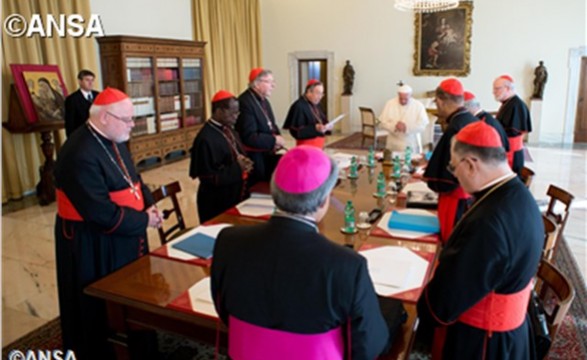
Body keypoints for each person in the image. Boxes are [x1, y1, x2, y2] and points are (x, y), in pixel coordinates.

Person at [211, 146, 391, 359]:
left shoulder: (228, 241)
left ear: (274, 191)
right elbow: (368, 346)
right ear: (324, 200)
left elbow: (224, 310)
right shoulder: (348, 265)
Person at [417, 121, 543, 359]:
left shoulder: (488, 223)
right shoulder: (518, 193)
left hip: (484, 343)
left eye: (454, 168)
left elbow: (441, 306)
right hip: (511, 335)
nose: (455, 175)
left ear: (470, 164)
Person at [54, 87, 163, 359]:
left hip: (124, 231)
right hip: (94, 241)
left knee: (133, 289)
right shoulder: (79, 153)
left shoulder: (113, 138)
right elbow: (101, 214)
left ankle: (137, 332)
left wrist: (148, 203)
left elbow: (134, 179)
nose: (132, 125)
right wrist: (144, 219)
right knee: (103, 305)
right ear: (104, 117)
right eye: (127, 120)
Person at [423, 78, 477, 243]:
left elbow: (445, 178)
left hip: (454, 198)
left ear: (440, 101)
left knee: (449, 241)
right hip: (470, 194)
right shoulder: (470, 119)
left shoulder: (455, 127)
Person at [189, 90, 254, 223]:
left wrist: (245, 162)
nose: (237, 116)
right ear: (219, 111)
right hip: (216, 202)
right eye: (233, 112)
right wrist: (238, 167)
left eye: (238, 112)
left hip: (234, 194)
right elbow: (207, 177)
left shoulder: (229, 129)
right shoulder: (205, 139)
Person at [235, 68, 285, 186]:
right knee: (258, 188)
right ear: (257, 84)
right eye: (269, 82)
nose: (273, 85)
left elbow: (271, 124)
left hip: (266, 153)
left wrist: (277, 138)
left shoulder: (263, 100)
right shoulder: (245, 102)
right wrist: (274, 140)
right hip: (254, 158)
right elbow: (249, 136)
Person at [493, 75, 532, 176]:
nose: (494, 92)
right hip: (507, 149)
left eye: (497, 89)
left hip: (511, 152)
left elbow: (512, 132)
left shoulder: (516, 105)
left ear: (507, 88)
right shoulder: (508, 103)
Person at [378, 83, 429, 153]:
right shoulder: (390, 103)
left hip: (410, 142)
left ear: (410, 96)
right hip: (392, 141)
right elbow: (382, 123)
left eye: (405, 99)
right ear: (398, 95)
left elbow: (423, 125)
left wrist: (406, 128)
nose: (403, 101)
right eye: (401, 98)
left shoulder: (418, 106)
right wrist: (394, 127)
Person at [282, 79, 329, 148]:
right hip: (306, 146)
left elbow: (322, 120)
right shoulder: (299, 106)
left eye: (322, 94)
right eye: (318, 93)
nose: (320, 97)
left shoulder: (317, 104)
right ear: (309, 92)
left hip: (319, 145)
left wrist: (327, 126)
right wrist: (314, 128)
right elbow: (296, 132)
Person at [65, 69, 100, 137]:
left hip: (98, 134)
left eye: (92, 80)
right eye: (87, 80)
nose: (90, 83)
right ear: (80, 81)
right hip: (82, 136)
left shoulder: (98, 95)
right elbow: (70, 123)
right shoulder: (72, 99)